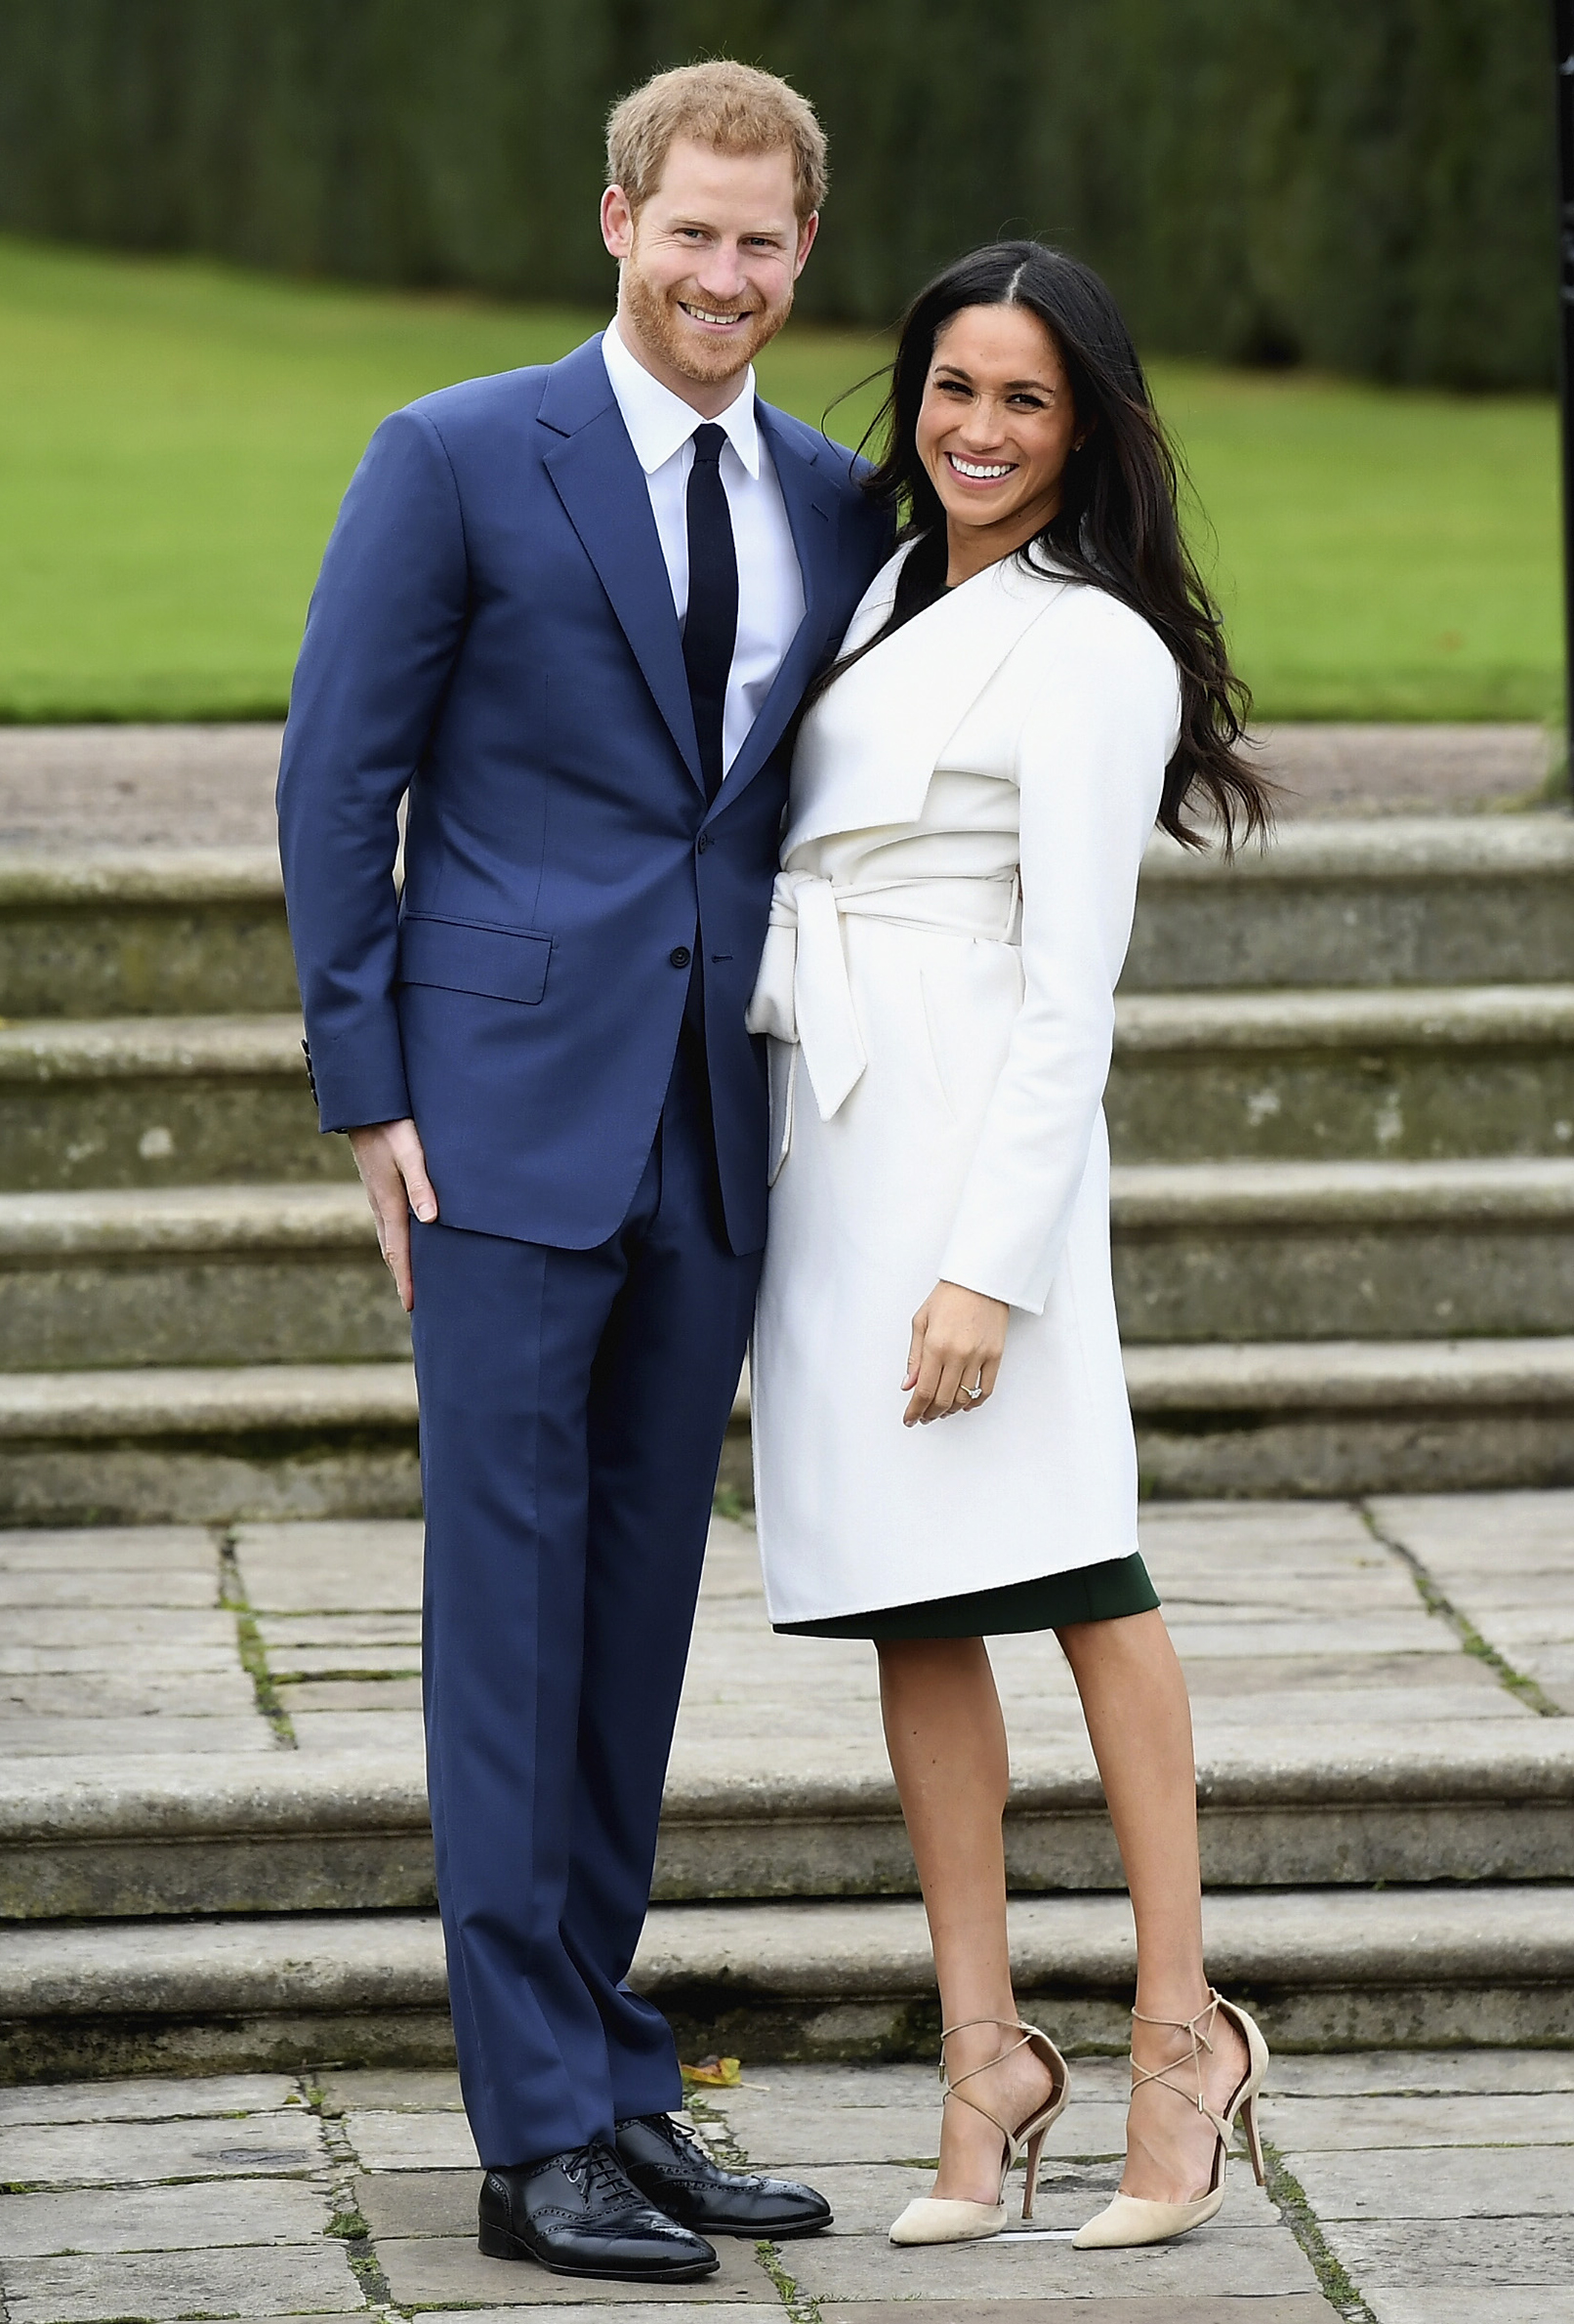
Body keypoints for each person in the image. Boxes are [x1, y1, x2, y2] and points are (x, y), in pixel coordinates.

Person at [277, 61, 892, 2286]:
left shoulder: (834, 495)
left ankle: (617, 2085)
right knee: (506, 1629)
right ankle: (531, 2129)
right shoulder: (454, 456)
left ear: (800, 255)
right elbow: (339, 774)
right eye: (690, 230)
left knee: (631, 1627)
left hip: (713, 1133)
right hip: (499, 1125)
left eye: (763, 244)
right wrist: (369, 1087)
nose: (724, 276)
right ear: (614, 218)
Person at [746, 240, 1276, 2253]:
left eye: (1024, 399)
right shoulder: (880, 585)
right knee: (911, 1598)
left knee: (1081, 1576)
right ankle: (985, 2058)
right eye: (952, 388)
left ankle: (1175, 2034)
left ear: (1088, 429)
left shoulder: (1090, 647)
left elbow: (1072, 994)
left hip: (981, 1140)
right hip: (833, 1138)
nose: (977, 430)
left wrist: (993, 1265)